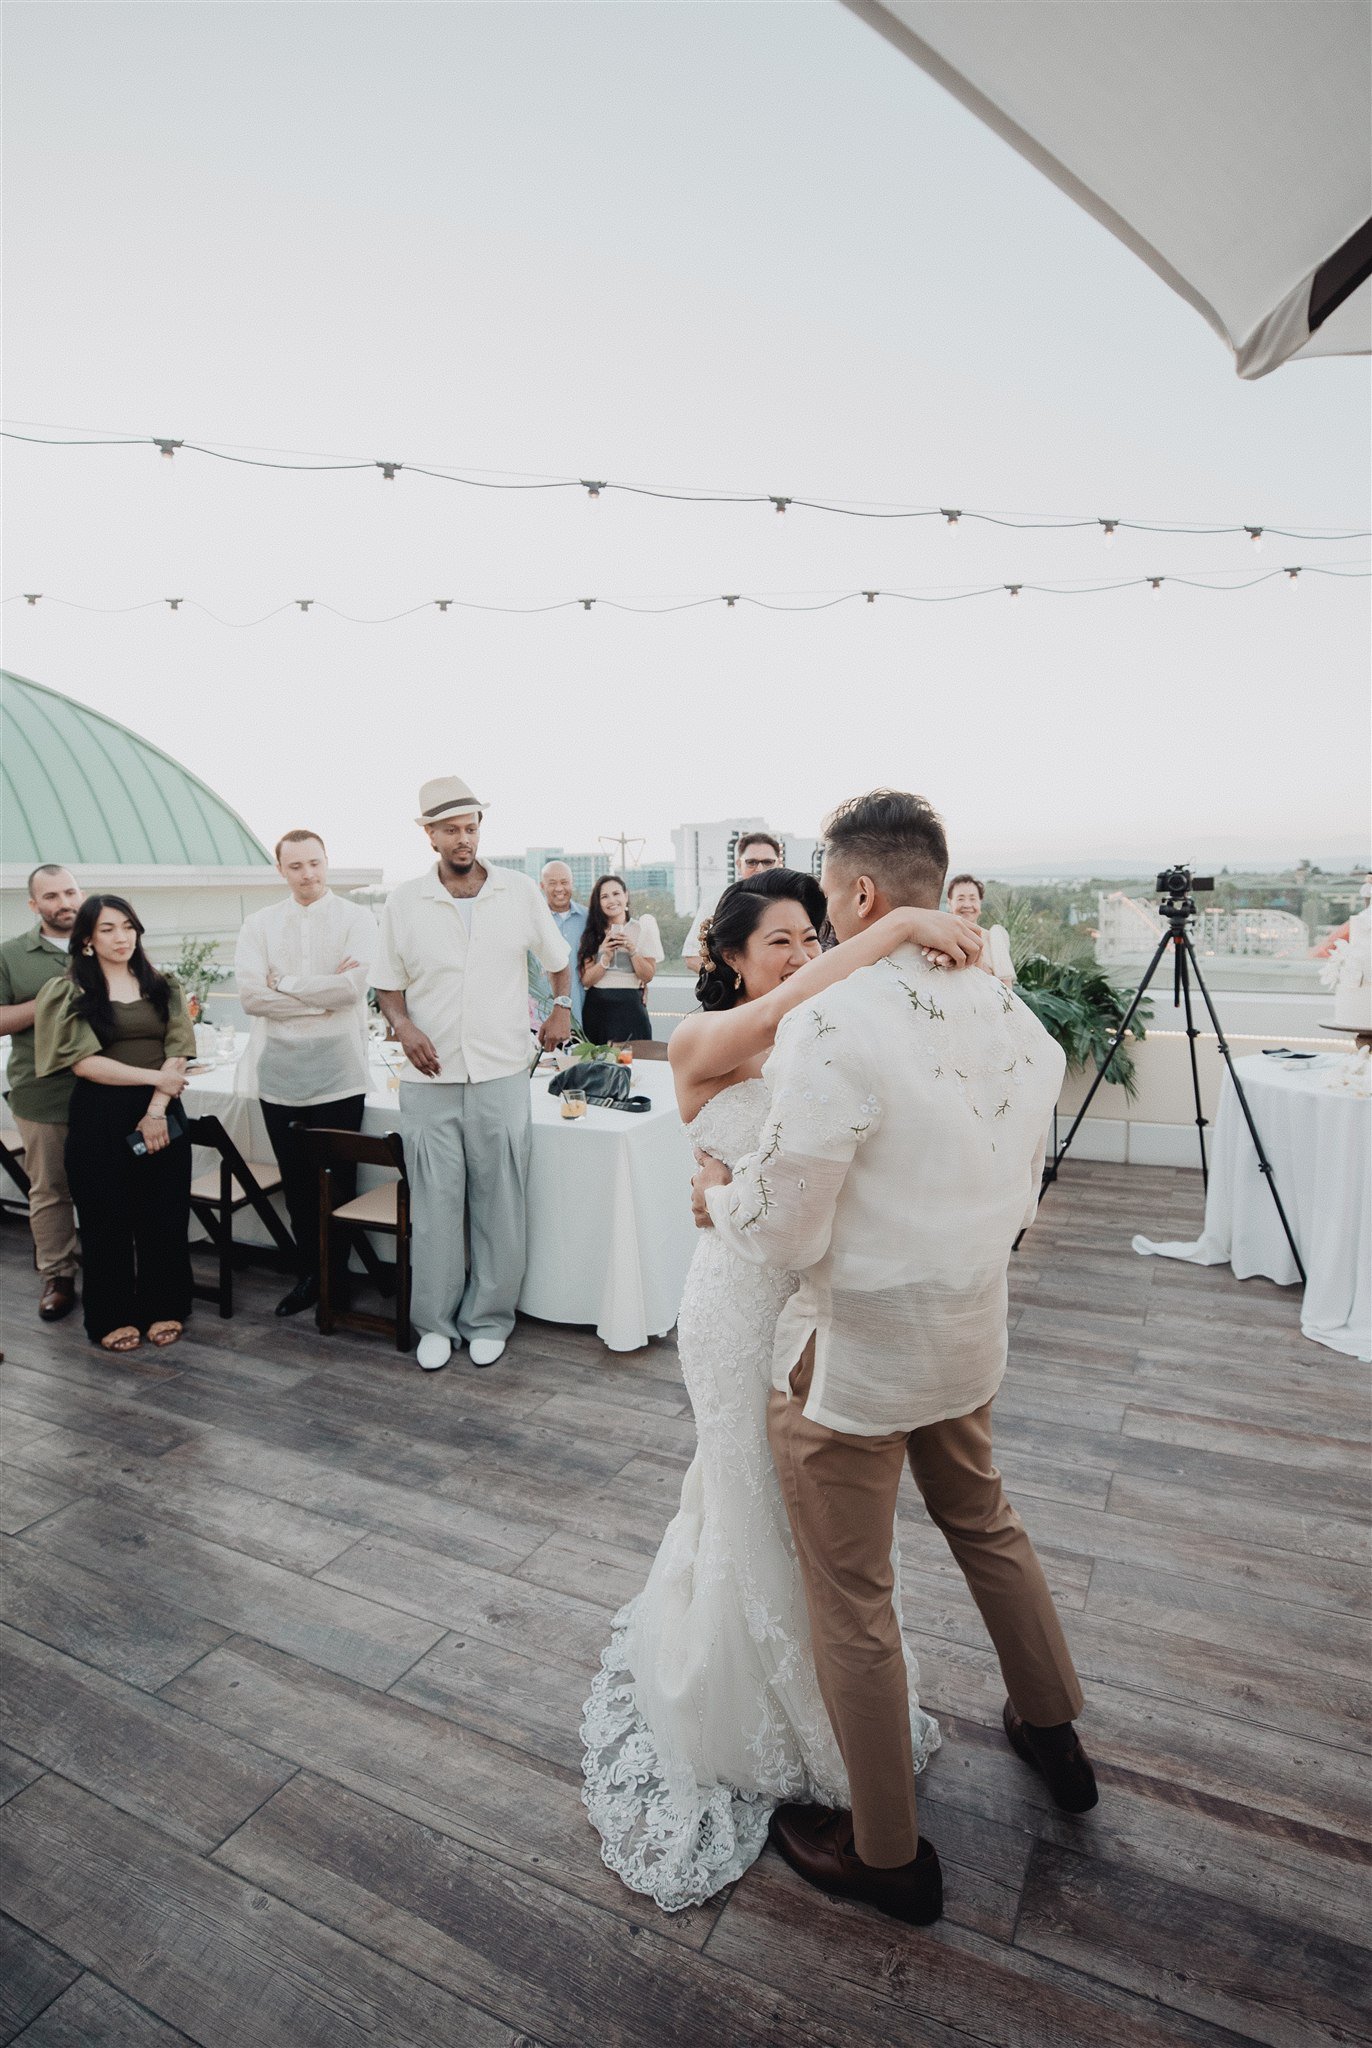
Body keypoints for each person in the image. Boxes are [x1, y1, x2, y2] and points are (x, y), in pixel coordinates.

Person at [694, 791, 1093, 1929]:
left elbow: (782, 1227)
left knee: (852, 1595)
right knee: (986, 1521)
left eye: (824, 890)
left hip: (854, 1354)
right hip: (965, 1328)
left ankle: (887, 1854)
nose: (822, 912)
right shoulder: (1012, 1011)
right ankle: (1052, 1731)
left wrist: (722, 1195)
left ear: (860, 894)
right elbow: (1018, 1184)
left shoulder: (834, 1020)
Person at [581, 867, 984, 1913]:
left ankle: (828, 1704)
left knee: (811, 1523)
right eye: (780, 942)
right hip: (729, 1309)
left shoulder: (823, 1037)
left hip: (812, 1305)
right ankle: (754, 1708)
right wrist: (892, 919)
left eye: (813, 937)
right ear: (726, 955)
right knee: (746, 1489)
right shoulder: (697, 1040)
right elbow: (788, 1019)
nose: (803, 956)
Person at [374, 775, 574, 1373]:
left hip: (502, 1072)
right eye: (451, 830)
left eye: (471, 827)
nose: (464, 839)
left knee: (501, 1203)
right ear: (430, 835)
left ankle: (489, 1319)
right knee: (435, 1208)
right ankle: (433, 1323)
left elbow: (559, 965)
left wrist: (561, 1009)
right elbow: (387, 984)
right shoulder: (404, 901)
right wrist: (404, 1027)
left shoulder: (516, 891)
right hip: (429, 1080)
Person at [34, 895, 195, 1354]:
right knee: (106, 1218)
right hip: (101, 1114)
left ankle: (167, 1303)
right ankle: (112, 1315)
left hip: (162, 1110)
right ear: (86, 939)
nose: (121, 937)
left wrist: (157, 1106)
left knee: (164, 1214)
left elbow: (178, 1047)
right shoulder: (68, 992)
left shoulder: (163, 984)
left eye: (128, 926)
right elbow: (84, 1063)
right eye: (107, 929)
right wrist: (156, 1079)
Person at [235, 829, 378, 1317]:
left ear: (327, 861)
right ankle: (309, 1277)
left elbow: (350, 992)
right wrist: (317, 998)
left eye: (314, 863)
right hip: (279, 1074)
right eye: (295, 866)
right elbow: (252, 999)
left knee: (337, 1183)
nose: (308, 874)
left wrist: (290, 986)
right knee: (297, 1186)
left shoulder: (357, 918)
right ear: (280, 870)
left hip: (339, 1071)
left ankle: (336, 1282)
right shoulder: (259, 924)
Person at [0, 865, 85, 1320]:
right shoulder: (11, 955)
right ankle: (57, 1275)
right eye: (51, 896)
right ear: (34, 906)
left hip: (107, 1091)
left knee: (108, 1183)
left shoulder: (106, 941)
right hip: (42, 1093)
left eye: (70, 891)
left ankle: (115, 1265)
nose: (63, 902)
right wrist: (52, 998)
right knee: (51, 1188)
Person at [683, 831, 784, 974]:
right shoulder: (716, 903)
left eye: (768, 862)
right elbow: (692, 956)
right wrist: (729, 981)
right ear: (738, 864)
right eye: (752, 862)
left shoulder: (794, 902)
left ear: (779, 863)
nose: (760, 869)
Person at [578, 875, 663, 1043]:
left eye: (616, 893)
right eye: (604, 896)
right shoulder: (591, 933)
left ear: (626, 895)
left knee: (634, 1063)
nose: (611, 900)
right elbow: (587, 981)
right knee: (598, 1064)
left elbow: (647, 976)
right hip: (597, 1007)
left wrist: (632, 950)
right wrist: (605, 955)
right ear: (599, 902)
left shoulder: (642, 928)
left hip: (631, 1006)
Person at [536, 861, 588, 1029]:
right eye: (552, 883)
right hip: (541, 1017)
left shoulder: (588, 919)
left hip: (583, 1016)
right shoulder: (533, 920)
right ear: (542, 886)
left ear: (572, 884)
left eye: (564, 882)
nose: (559, 888)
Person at [947, 872, 1016, 985]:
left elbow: (1007, 990)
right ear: (950, 903)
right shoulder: (942, 937)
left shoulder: (994, 938)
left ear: (980, 903)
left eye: (972, 899)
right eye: (960, 899)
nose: (967, 905)